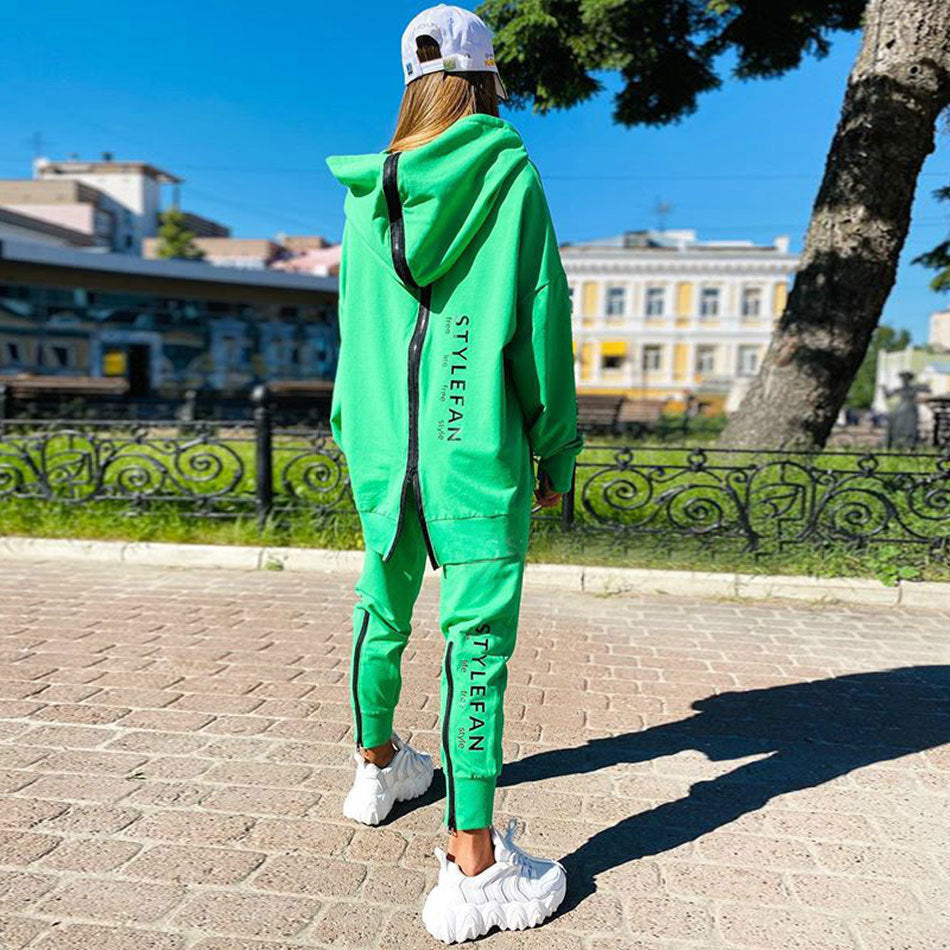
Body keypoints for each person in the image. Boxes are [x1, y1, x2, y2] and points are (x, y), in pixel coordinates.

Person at [326, 3, 582, 942]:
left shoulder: (365, 192)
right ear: (484, 81)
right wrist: (555, 445)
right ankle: (472, 864)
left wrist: (355, 427)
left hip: (385, 443)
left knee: (380, 601)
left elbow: (355, 327)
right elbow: (539, 313)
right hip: (474, 446)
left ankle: (377, 763)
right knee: (477, 641)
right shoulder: (509, 171)